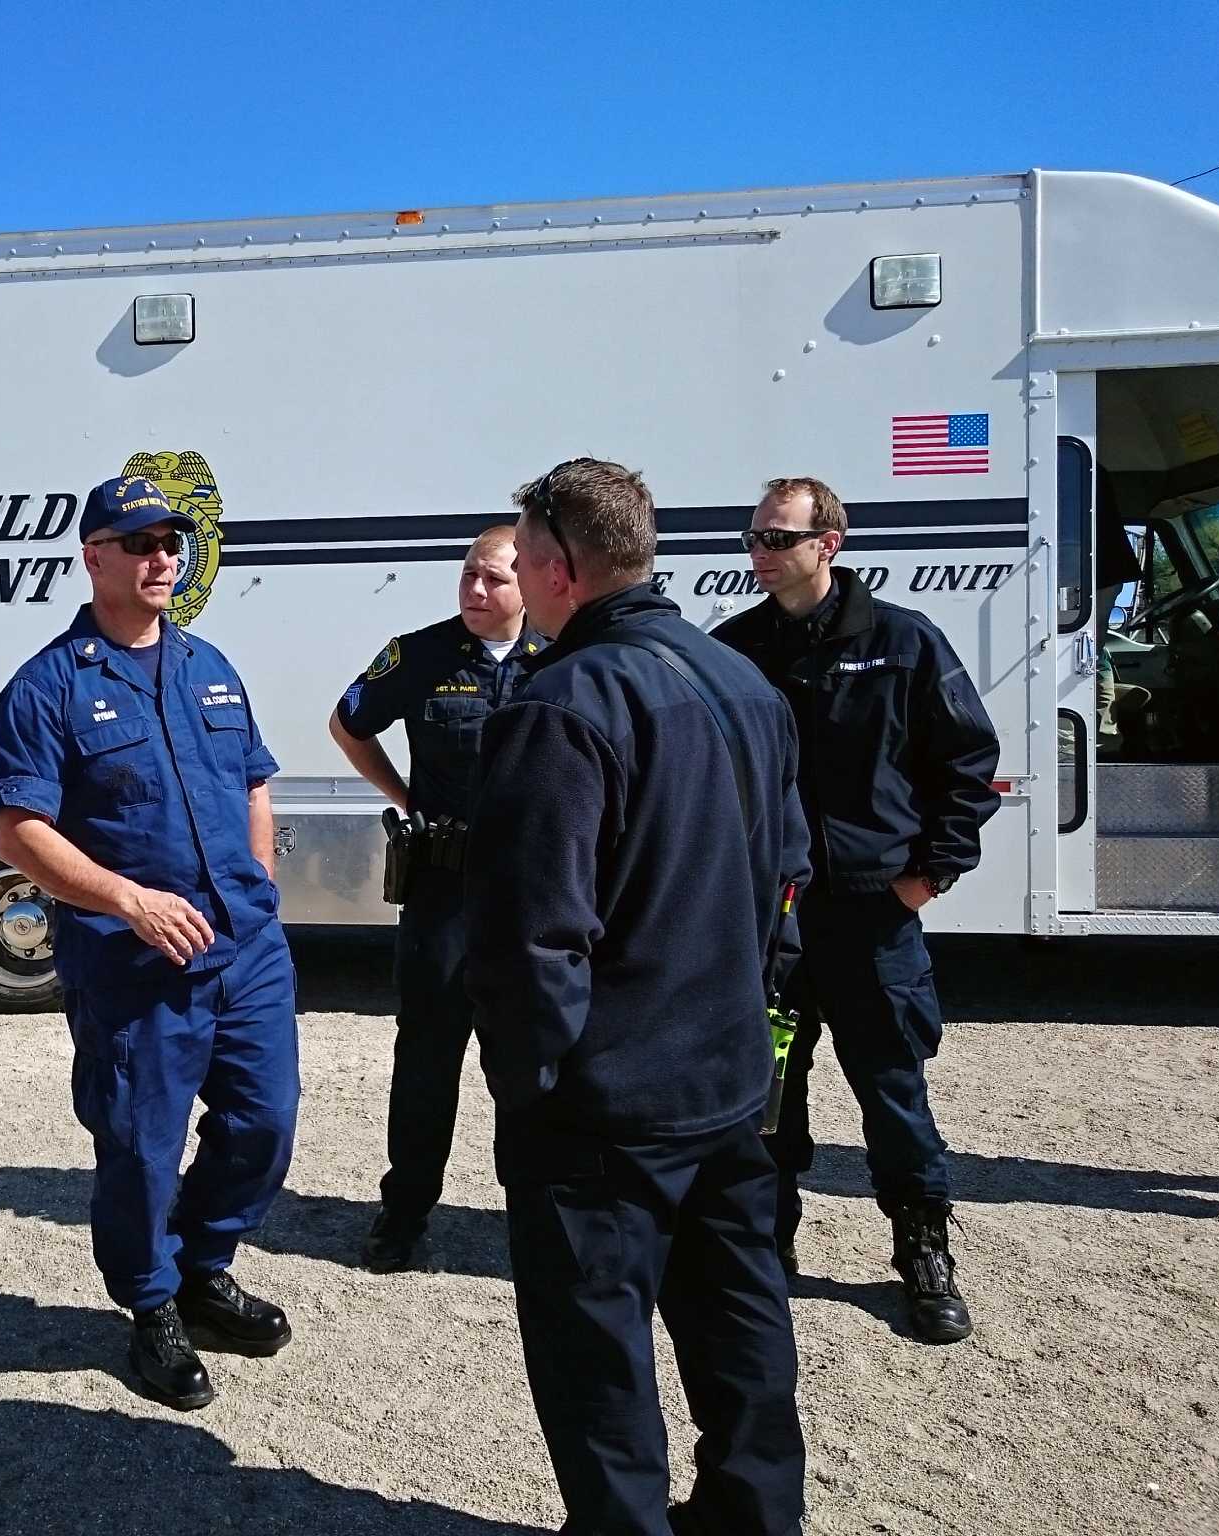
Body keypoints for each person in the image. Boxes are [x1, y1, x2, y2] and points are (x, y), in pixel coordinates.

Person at [465, 458, 809, 1536]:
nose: (516, 576)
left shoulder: (562, 703)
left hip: (608, 1108)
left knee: (597, 1367)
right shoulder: (742, 681)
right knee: (739, 1326)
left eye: (523, 558)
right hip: (726, 1082)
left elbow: (533, 933)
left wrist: (532, 1088)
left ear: (561, 570)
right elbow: (785, 879)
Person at [0, 475, 298, 1412]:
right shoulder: (48, 686)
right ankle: (152, 1303)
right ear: (93, 556)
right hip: (135, 961)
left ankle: (205, 1270)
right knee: (139, 1147)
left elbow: (251, 781)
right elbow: (18, 833)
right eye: (142, 541)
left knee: (264, 1121)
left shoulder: (211, 665)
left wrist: (261, 886)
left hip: (243, 948)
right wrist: (128, 902)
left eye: (174, 541)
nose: (165, 556)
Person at [714, 476, 999, 1345]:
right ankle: (767, 1249)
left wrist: (926, 879)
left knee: (893, 1093)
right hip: (775, 927)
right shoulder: (734, 649)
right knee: (766, 1095)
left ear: (827, 543)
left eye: (777, 537)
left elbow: (968, 764)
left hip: (874, 919)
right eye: (754, 537)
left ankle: (922, 1256)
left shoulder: (904, 642)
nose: (760, 553)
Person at [327, 525, 543, 1272]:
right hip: (444, 895)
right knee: (426, 1061)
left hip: (534, 901)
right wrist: (405, 795)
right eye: (469, 576)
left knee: (531, 1063)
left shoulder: (566, 655)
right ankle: (405, 1210)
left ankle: (535, 1213)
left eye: (495, 580)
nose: (477, 592)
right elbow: (347, 723)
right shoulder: (421, 654)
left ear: (533, 582)